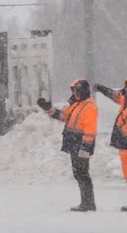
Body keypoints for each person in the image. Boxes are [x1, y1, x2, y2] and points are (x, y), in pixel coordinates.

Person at [37, 79, 98, 212]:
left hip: (81, 144)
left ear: (82, 91)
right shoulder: (77, 104)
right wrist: (49, 109)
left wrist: (85, 147)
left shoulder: (89, 106)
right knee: (78, 173)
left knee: (82, 173)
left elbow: (90, 129)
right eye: (73, 91)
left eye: (76, 91)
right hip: (74, 143)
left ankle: (88, 203)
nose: (74, 93)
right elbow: (63, 116)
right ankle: (86, 202)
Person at [95, 76, 127, 212]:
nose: (126, 90)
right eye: (126, 87)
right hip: (125, 143)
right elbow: (116, 96)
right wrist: (102, 89)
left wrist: (120, 132)